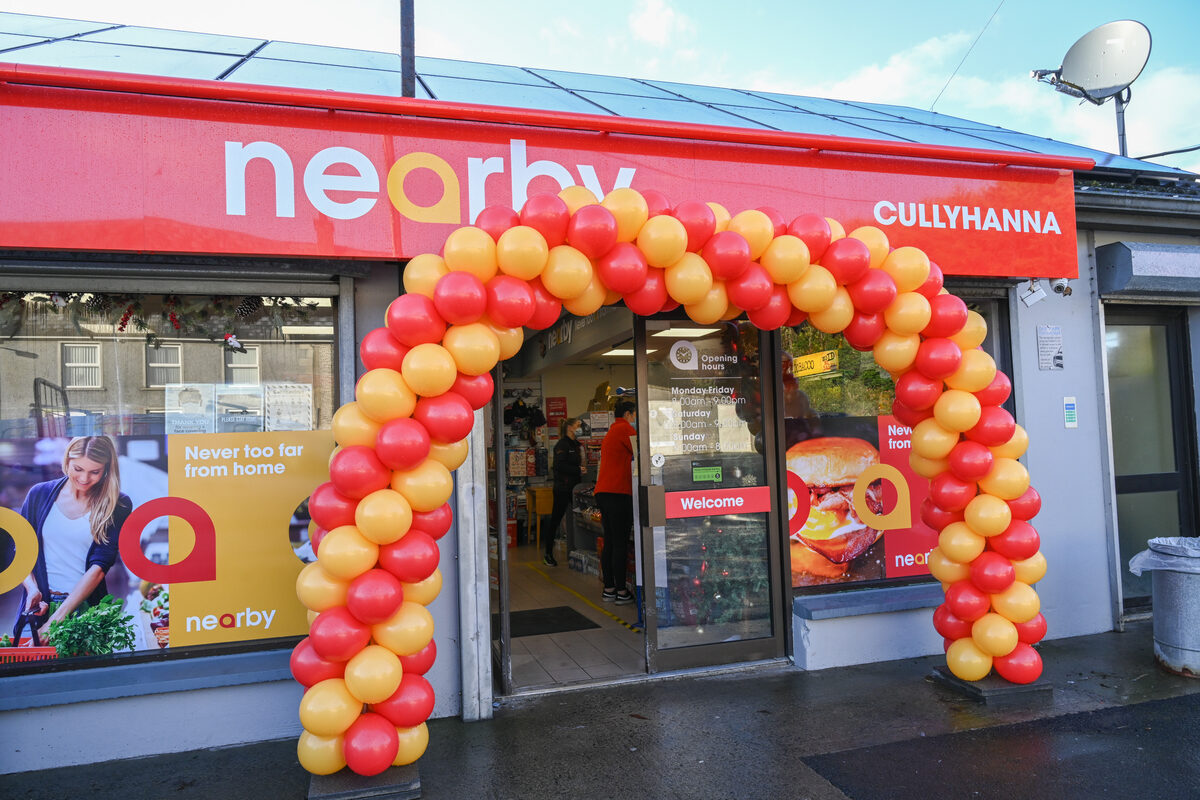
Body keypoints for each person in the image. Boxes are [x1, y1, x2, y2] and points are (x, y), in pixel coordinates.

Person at [16, 435, 133, 639]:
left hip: (85, 607)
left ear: (106, 469)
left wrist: (55, 622)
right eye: (78, 469)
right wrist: (32, 588)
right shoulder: (39, 494)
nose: (84, 479)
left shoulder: (117, 504)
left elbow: (99, 568)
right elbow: (23, 551)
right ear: (67, 462)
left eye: (94, 472)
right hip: (39, 606)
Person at [595, 401, 636, 604]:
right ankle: (621, 591)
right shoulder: (625, 429)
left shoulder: (612, 430)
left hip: (603, 492)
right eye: (634, 415)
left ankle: (609, 589)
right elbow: (642, 454)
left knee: (610, 541)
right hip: (618, 492)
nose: (635, 420)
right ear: (628, 414)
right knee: (619, 542)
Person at [543, 417, 585, 566]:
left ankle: (576, 552)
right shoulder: (563, 444)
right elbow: (559, 466)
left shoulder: (577, 444)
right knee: (556, 519)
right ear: (570, 428)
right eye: (578, 425)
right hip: (563, 488)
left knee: (578, 520)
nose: (581, 428)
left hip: (575, 488)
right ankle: (548, 553)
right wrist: (577, 469)